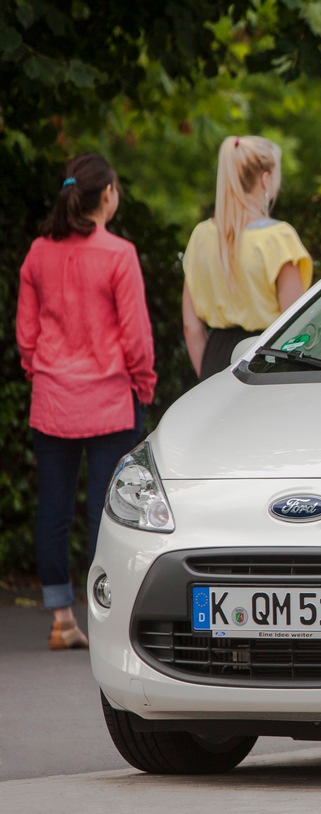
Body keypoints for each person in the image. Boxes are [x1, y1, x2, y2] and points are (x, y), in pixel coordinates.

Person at [16, 153, 157, 650]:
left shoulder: (37, 253)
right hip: (110, 400)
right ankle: (104, 616)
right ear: (107, 195)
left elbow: (26, 336)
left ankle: (60, 616)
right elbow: (136, 336)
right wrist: (144, 382)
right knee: (108, 510)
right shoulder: (119, 254)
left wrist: (43, 373)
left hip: (52, 400)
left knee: (53, 508)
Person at [182, 135, 312, 380]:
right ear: (265, 179)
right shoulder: (278, 239)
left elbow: (191, 326)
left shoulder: (201, 236)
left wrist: (208, 377)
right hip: (266, 363)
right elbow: (296, 330)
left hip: (215, 360)